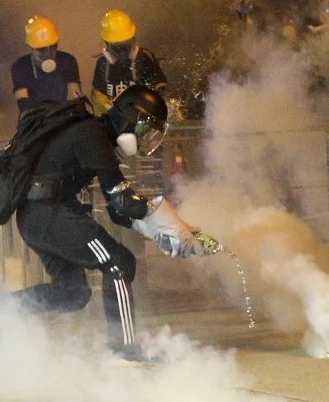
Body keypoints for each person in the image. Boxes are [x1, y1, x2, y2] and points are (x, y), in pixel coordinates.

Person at [11, 85, 204, 363]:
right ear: (128, 117)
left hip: (39, 214)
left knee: (72, 292)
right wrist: (169, 223)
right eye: (142, 129)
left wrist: (160, 230)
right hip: (47, 213)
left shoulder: (94, 135)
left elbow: (117, 209)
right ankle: (123, 351)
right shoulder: (93, 135)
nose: (143, 137)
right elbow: (124, 201)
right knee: (118, 263)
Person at [91, 9, 169, 113]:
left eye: (125, 43)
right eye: (116, 44)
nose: (121, 49)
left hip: (145, 118)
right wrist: (111, 111)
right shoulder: (103, 63)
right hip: (116, 123)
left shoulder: (145, 58)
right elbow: (98, 94)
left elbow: (160, 86)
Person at [12, 16, 82, 113]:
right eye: (42, 49)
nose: (48, 53)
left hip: (63, 114)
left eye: (53, 46)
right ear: (31, 47)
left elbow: (77, 97)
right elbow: (24, 105)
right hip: (36, 118)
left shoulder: (67, 60)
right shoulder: (21, 66)